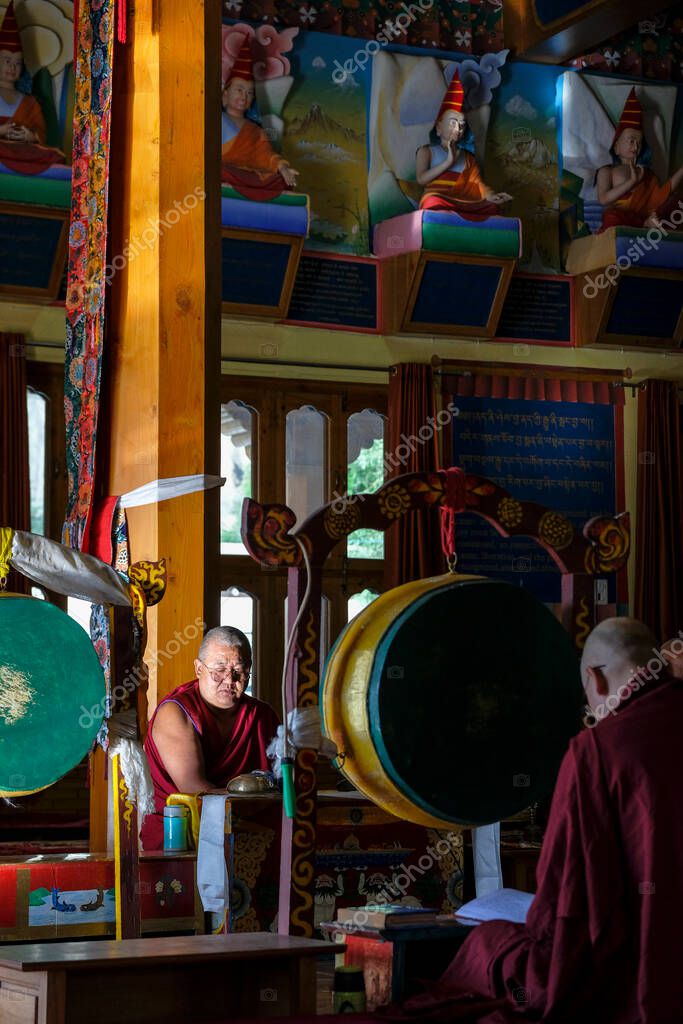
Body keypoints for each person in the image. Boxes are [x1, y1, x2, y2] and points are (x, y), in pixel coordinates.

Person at [384, 617, 683, 1022]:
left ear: (595, 679)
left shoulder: (597, 749)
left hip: (630, 970)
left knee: (489, 946)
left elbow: (567, 887)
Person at [140, 626, 279, 850]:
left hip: (252, 831)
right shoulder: (176, 713)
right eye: (219, 669)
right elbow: (196, 791)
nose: (229, 679)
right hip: (183, 835)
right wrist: (258, 795)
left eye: (239, 670)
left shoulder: (262, 716)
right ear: (198, 668)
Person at [416, 69, 512, 219]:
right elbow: (421, 179)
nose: (458, 129)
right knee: (431, 201)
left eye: (462, 125)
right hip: (440, 198)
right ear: (439, 127)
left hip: (465, 201)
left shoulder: (467, 157)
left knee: (493, 207)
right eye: (453, 123)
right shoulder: (427, 151)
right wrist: (448, 162)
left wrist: (491, 195)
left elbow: (478, 185)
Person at [221, 38, 298, 201]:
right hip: (224, 170)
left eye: (250, 93)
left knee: (278, 180)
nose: (244, 96)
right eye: (239, 90)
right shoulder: (215, 120)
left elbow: (266, 155)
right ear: (225, 94)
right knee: (217, 170)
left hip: (246, 175)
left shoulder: (255, 130)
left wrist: (282, 168)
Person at [596, 87, 683, 232]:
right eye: (631, 140)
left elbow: (661, 195)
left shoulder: (645, 172)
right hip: (622, 219)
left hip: (649, 217)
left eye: (639, 142)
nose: (635, 146)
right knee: (610, 216)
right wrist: (631, 182)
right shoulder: (607, 171)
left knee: (679, 203)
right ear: (616, 146)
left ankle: (649, 224)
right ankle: (644, 224)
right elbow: (603, 199)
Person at [0, 1, 64, 174]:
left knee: (53, 156)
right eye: (7, 61)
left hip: (22, 151)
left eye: (17, 63)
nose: (12, 67)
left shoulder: (30, 101)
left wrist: (30, 136)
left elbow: (40, 135)